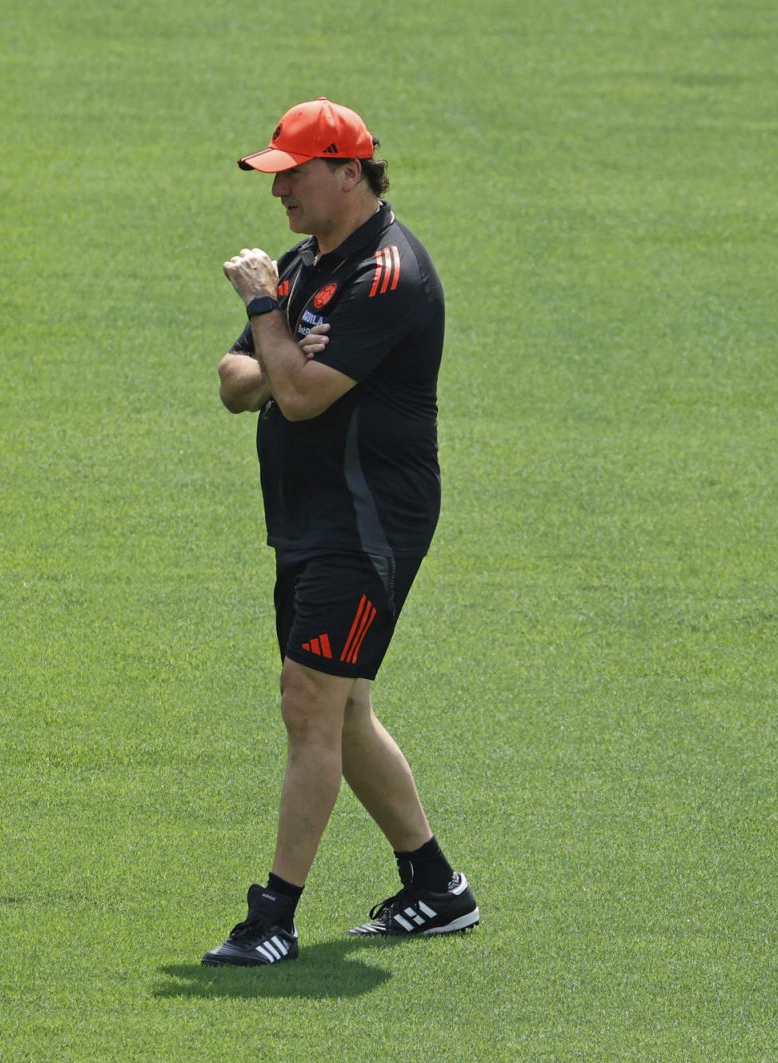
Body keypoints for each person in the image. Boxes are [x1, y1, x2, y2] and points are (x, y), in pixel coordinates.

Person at [201, 98, 479, 967]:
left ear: (348, 170)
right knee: (344, 706)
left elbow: (299, 393)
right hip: (309, 516)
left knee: (307, 700)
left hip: (369, 521)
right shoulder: (302, 264)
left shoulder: (388, 273)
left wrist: (268, 322)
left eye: (294, 173)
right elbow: (235, 380)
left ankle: (273, 916)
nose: (279, 189)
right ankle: (437, 888)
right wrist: (278, 336)